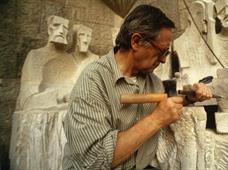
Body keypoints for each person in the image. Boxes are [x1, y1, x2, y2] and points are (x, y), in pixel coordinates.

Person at [63, 5, 212, 170]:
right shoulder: (93, 81)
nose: (163, 60)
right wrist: (156, 120)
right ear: (136, 41)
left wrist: (191, 97)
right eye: (161, 52)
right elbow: (93, 161)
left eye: (166, 54)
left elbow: (168, 103)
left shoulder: (152, 80)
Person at [16, 15, 69, 110]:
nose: (61, 31)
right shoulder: (35, 55)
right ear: (49, 29)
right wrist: (57, 96)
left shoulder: (70, 59)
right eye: (56, 25)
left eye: (65, 28)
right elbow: (27, 97)